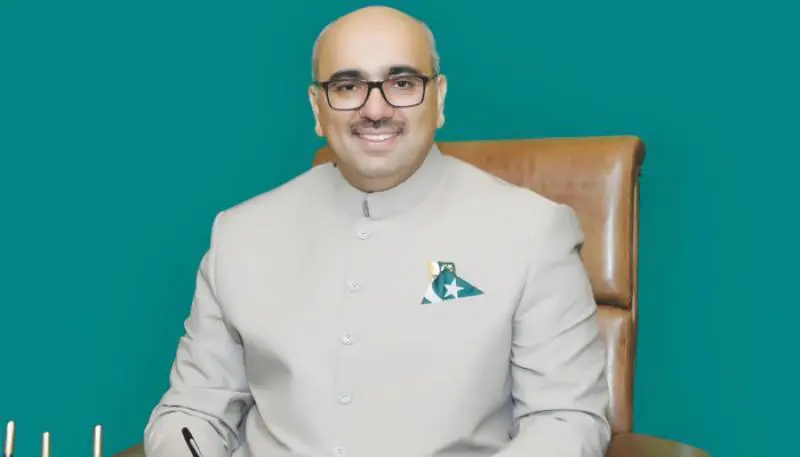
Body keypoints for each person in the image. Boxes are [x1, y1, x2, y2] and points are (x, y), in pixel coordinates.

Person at [143, 5, 611, 457]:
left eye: (402, 83)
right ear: (317, 107)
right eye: (347, 86)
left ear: (439, 98)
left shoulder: (531, 231)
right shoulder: (240, 234)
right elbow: (194, 410)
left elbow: (565, 418)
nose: (375, 109)